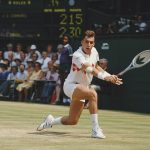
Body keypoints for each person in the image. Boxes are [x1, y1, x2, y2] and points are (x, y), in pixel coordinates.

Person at [37, 30, 123, 139]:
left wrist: (110, 76)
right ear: (82, 42)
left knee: (72, 120)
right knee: (92, 94)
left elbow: (96, 67)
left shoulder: (95, 52)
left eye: (91, 42)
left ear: (94, 43)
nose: (89, 45)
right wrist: (106, 77)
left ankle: (50, 121)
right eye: (86, 42)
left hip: (83, 88)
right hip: (71, 86)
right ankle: (95, 129)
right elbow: (89, 69)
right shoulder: (77, 55)